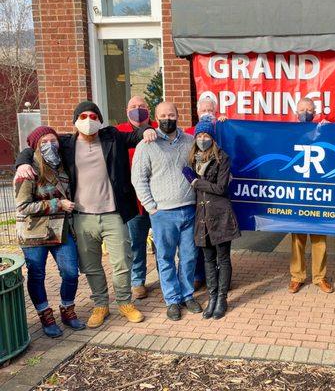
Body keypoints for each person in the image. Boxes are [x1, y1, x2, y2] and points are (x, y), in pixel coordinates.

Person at [15, 101, 155, 328]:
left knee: (122, 263)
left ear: (99, 119)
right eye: (82, 117)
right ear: (74, 121)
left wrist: (147, 129)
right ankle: (100, 304)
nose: (88, 121)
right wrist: (22, 162)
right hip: (82, 217)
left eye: (92, 116)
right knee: (91, 265)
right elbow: (36, 143)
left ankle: (124, 302)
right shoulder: (66, 144)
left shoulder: (112, 137)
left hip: (113, 214)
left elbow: (135, 134)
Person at [132, 101, 202, 321]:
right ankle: (172, 299)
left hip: (189, 209)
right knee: (166, 258)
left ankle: (187, 294)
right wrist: (151, 206)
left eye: (171, 114)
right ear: (156, 117)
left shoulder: (190, 142)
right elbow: (139, 179)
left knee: (190, 256)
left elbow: (199, 168)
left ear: (177, 116)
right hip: (163, 213)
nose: (167, 118)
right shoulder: (147, 145)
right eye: (163, 115)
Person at [14, 126, 85, 337]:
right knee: (37, 275)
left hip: (60, 230)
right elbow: (23, 207)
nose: (49, 145)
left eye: (52, 140)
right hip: (33, 233)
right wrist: (57, 204)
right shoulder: (27, 171)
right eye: (43, 142)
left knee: (71, 272)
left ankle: (67, 309)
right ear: (35, 146)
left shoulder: (63, 165)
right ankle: (45, 314)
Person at [182, 118, 241, 319]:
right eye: (199, 135)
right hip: (202, 217)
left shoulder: (222, 158)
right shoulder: (192, 159)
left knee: (223, 258)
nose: (202, 139)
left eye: (206, 135)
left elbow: (220, 188)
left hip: (220, 215)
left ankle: (222, 298)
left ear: (213, 138)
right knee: (208, 259)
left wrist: (197, 182)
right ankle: (212, 297)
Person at [288, 97, 334, 294]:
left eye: (309, 109)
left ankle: (319, 277)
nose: (305, 112)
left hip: (317, 193)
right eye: (302, 109)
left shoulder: (323, 130)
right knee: (297, 237)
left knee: (319, 238)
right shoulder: (288, 133)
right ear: (295, 112)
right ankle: (297, 277)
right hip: (297, 192)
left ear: (315, 112)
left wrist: (332, 132)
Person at [115, 96, 158, 300]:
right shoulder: (119, 132)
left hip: (160, 200)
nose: (137, 110)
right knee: (136, 244)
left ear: (148, 110)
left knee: (163, 244)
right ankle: (137, 282)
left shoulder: (160, 128)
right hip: (134, 202)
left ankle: (166, 279)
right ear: (126, 110)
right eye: (133, 107)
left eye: (142, 106)